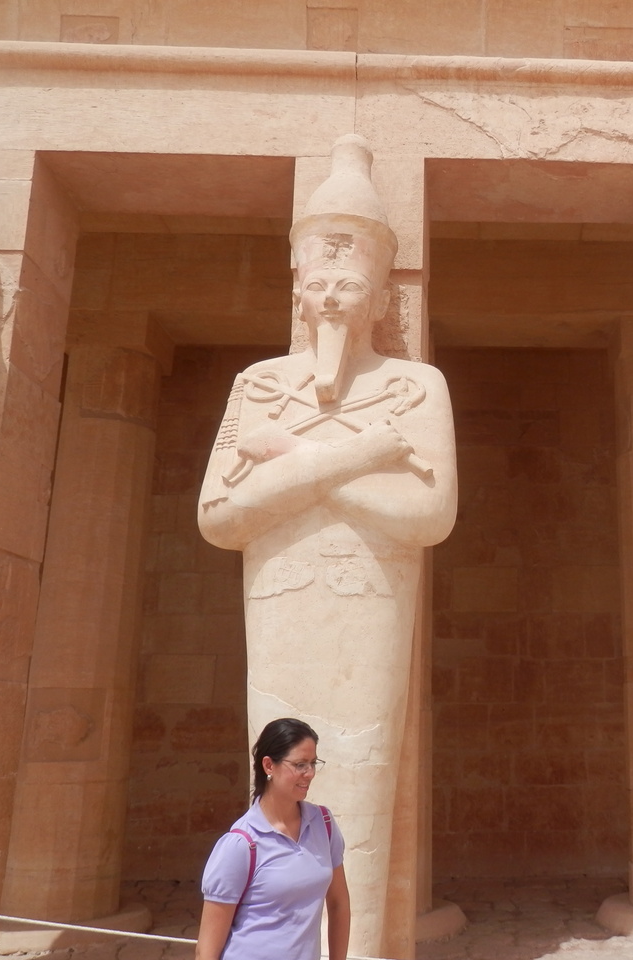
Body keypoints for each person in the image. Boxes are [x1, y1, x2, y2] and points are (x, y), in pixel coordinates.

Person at [198, 134, 456, 954]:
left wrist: (292, 458)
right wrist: (354, 457)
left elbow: (428, 515)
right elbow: (220, 516)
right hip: (279, 594)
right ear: (298, 292)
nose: (335, 296)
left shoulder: (414, 387)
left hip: (369, 596)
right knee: (279, 772)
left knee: (359, 777)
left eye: (352, 284)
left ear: (380, 300)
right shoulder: (257, 385)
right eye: (321, 282)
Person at [195, 717, 350, 960]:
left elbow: (339, 904)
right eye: (300, 764)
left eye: (313, 763)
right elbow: (206, 950)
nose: (309, 773)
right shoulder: (240, 844)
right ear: (269, 765)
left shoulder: (324, 824)